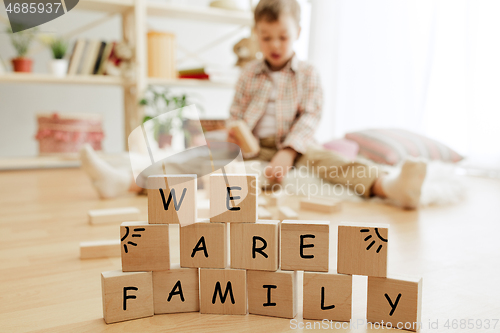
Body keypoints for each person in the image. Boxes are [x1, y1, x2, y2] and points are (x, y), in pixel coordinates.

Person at [81, 0, 427, 209]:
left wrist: (287, 153)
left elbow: (311, 117)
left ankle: (391, 187)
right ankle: (124, 182)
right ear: (255, 34)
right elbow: (235, 114)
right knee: (194, 160)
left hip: (297, 147)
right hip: (249, 149)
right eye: (266, 37)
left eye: (283, 37)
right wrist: (236, 136)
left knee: (335, 163)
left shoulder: (308, 74)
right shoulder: (249, 74)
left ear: (298, 34)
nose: (274, 44)